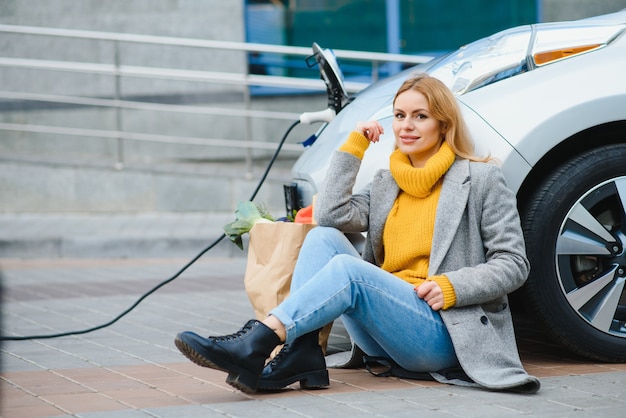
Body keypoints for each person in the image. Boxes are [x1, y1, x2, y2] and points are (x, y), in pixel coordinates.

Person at [174, 73, 540, 394]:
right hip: (384, 327)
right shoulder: (387, 184)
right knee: (321, 238)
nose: (406, 126)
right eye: (399, 116)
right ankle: (301, 352)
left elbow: (513, 264)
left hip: (446, 332)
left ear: (444, 125)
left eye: (420, 116)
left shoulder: (481, 180)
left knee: (351, 272)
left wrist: (452, 286)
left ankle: (259, 341)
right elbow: (331, 214)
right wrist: (354, 146)